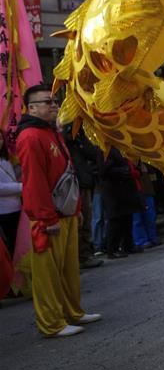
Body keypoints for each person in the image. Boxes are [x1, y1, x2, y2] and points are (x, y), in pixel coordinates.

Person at [17, 84, 101, 337]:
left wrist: (75, 209)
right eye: (46, 102)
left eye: (54, 101)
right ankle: (51, 323)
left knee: (68, 269)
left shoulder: (51, 132)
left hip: (65, 213)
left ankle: (72, 311)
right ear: (31, 108)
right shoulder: (30, 136)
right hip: (48, 219)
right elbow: (34, 183)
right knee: (49, 275)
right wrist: (45, 218)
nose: (53, 105)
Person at [64, 126, 104, 268]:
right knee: (79, 223)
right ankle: (79, 257)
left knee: (86, 220)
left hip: (84, 181)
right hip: (72, 185)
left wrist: (80, 137)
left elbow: (93, 153)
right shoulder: (62, 140)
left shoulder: (79, 139)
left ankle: (84, 254)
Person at [102, 148, 143, 257]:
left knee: (127, 218)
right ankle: (112, 249)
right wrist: (123, 171)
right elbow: (104, 170)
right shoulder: (106, 149)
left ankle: (128, 245)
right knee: (116, 220)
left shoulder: (120, 147)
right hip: (114, 189)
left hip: (125, 188)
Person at [0, 132, 22, 257]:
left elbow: (12, 177)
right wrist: (22, 187)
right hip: (3, 211)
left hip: (16, 207)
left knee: (15, 244)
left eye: (0, 138)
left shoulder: (5, 158)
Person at [132, 163, 160, 249]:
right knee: (137, 219)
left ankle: (152, 237)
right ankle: (141, 240)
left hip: (147, 188)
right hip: (133, 191)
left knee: (150, 216)